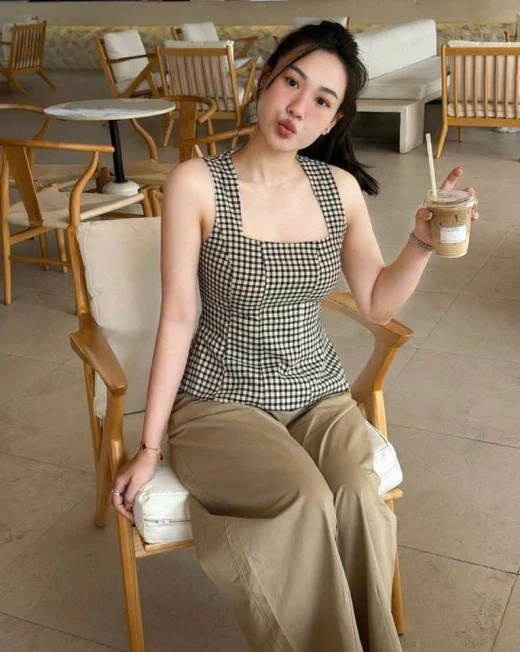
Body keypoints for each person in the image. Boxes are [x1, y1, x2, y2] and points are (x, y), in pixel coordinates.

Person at [111, 20, 478, 652]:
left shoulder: (338, 190)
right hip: (220, 399)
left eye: (322, 100)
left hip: (318, 394)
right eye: (292, 83)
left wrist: (421, 240)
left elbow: (375, 300)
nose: (298, 108)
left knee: (358, 494)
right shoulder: (197, 183)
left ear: (334, 121)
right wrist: (148, 447)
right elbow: (178, 316)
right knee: (303, 498)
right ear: (265, 80)